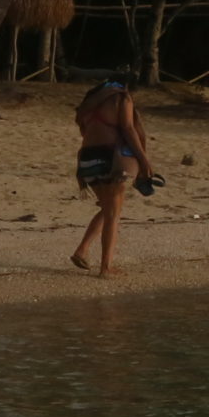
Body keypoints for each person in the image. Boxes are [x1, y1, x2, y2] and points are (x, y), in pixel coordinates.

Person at [70, 77, 157, 275]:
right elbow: (128, 129)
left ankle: (82, 251)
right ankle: (106, 267)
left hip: (87, 161)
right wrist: (144, 161)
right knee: (113, 213)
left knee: (108, 208)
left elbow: (86, 133)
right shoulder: (121, 98)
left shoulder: (88, 105)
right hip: (110, 160)